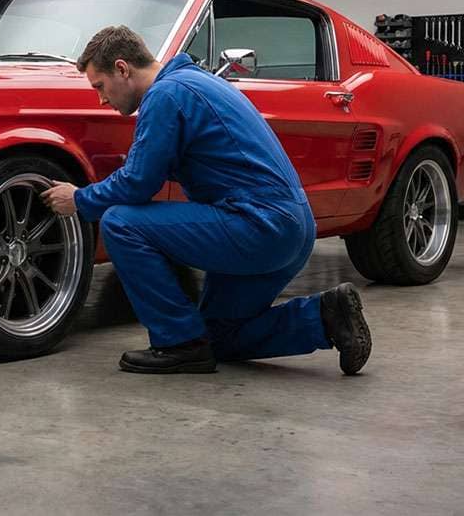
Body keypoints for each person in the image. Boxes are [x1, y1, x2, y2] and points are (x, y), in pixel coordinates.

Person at [40, 26, 372, 375]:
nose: (101, 100)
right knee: (220, 337)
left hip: (258, 226)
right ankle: (325, 317)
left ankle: (177, 343)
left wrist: (79, 198)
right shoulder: (195, 82)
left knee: (121, 223)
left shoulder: (166, 95)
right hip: (290, 227)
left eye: (100, 86)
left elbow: (138, 184)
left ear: (122, 69)